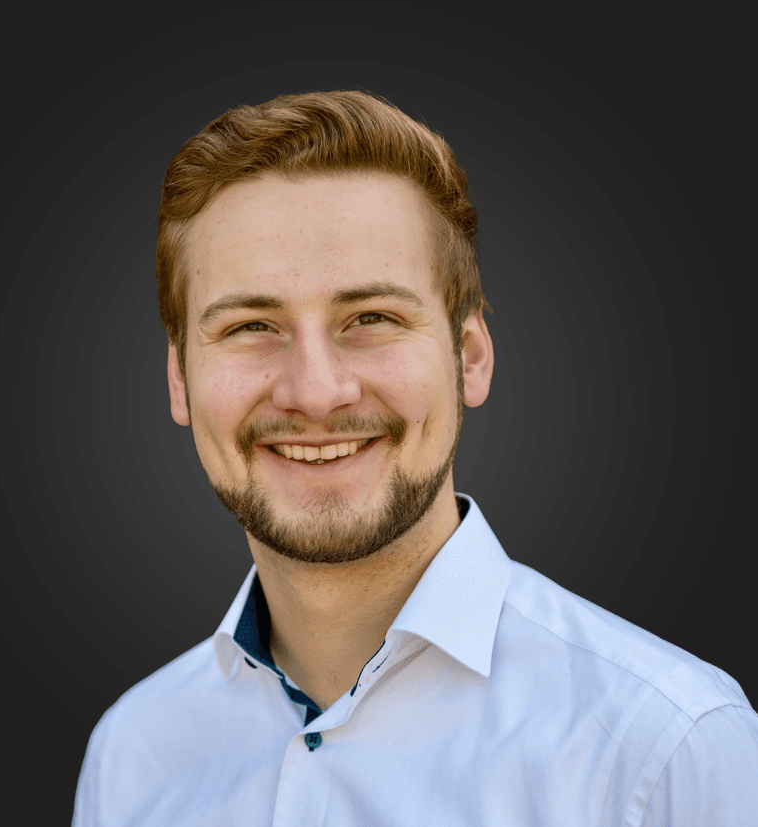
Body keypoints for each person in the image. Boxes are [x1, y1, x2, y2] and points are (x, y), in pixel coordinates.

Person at [72, 90, 757, 826]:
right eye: (251, 325)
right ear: (180, 379)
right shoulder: (131, 754)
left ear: (469, 357)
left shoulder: (667, 750)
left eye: (371, 318)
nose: (315, 392)